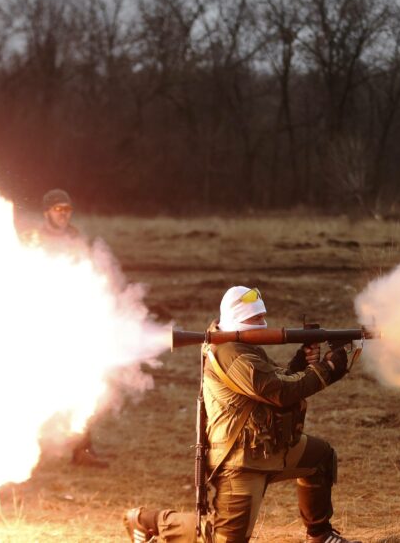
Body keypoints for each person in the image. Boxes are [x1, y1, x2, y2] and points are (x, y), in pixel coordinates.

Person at [123, 286, 358, 543]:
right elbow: (279, 392)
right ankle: (150, 521)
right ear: (236, 319)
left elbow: (270, 382)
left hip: (267, 447)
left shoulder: (241, 345)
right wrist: (331, 367)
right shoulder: (230, 353)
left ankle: (320, 535)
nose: (263, 323)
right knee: (221, 538)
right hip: (241, 460)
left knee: (320, 457)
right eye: (254, 319)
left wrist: (300, 362)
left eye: (262, 316)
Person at [29, 188, 106, 468]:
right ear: (47, 211)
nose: (63, 215)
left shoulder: (75, 237)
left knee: (82, 382)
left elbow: (89, 268)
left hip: (74, 317)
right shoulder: (35, 239)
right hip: (44, 320)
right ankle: (28, 446)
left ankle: (83, 450)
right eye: (58, 209)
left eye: (68, 210)